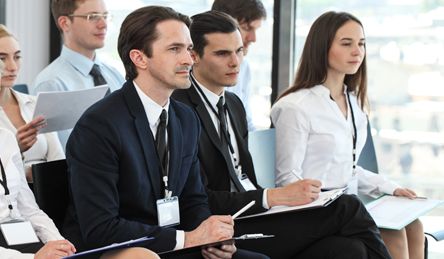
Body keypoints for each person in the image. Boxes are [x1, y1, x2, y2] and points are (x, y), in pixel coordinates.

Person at [172, 10, 392, 259]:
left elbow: (242, 177)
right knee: (348, 207)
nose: (236, 62)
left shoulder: (233, 104)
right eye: (222, 53)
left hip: (253, 213)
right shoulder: (180, 110)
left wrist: (273, 202)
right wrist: (273, 196)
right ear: (194, 56)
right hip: (226, 223)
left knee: (351, 249)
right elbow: (197, 197)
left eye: (239, 50)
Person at [0, 41, 157, 259]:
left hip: (27, 241)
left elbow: (28, 208)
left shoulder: (3, 138)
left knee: (141, 256)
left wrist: (56, 241)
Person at [62, 6, 268, 259]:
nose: (189, 59)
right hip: (121, 250)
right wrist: (188, 238)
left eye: (188, 48)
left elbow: (193, 199)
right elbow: (101, 228)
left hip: (172, 242)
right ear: (139, 58)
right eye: (174, 49)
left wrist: (210, 238)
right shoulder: (100, 125)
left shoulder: (185, 117)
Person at [271, 11, 424, 259]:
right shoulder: (295, 106)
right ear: (322, 48)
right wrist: (324, 197)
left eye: (361, 44)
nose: (357, 52)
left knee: (414, 224)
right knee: (392, 231)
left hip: (349, 206)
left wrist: (391, 188)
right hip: (315, 211)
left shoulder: (355, 103)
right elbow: (287, 180)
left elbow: (349, 170)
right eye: (347, 44)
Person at [0, 24, 64, 182]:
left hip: (49, 192)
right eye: (2, 58)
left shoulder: (35, 103)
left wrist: (36, 174)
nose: (12, 67)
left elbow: (58, 161)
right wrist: (15, 150)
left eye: (17, 57)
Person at [31, 0, 125, 148]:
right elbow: (57, 152)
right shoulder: (51, 83)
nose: (104, 25)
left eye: (105, 16)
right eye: (93, 17)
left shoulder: (115, 75)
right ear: (65, 23)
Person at [211, 0, 266, 132]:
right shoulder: (189, 68)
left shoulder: (244, 66)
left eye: (256, 29)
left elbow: (245, 124)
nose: (253, 38)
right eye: (247, 29)